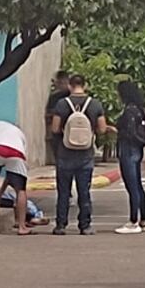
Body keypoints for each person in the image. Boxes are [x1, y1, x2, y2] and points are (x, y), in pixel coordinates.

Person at [52, 74, 107, 235]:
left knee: (63, 192)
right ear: (85, 85)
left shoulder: (62, 104)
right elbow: (102, 129)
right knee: (84, 192)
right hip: (86, 155)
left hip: (65, 154)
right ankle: (85, 225)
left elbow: (54, 128)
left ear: (70, 86)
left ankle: (61, 225)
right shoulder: (95, 104)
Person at [114, 81, 145, 234]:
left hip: (128, 149)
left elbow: (129, 132)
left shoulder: (129, 111)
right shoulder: (140, 109)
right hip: (137, 149)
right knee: (138, 185)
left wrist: (117, 130)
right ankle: (144, 219)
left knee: (132, 186)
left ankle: (133, 221)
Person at [0, 120, 32, 235]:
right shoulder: (21, 136)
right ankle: (22, 227)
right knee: (21, 190)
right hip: (16, 153)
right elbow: (13, 173)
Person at [43, 71, 71, 166]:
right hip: (62, 133)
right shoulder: (57, 96)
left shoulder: (56, 96)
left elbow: (49, 114)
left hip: (61, 132)